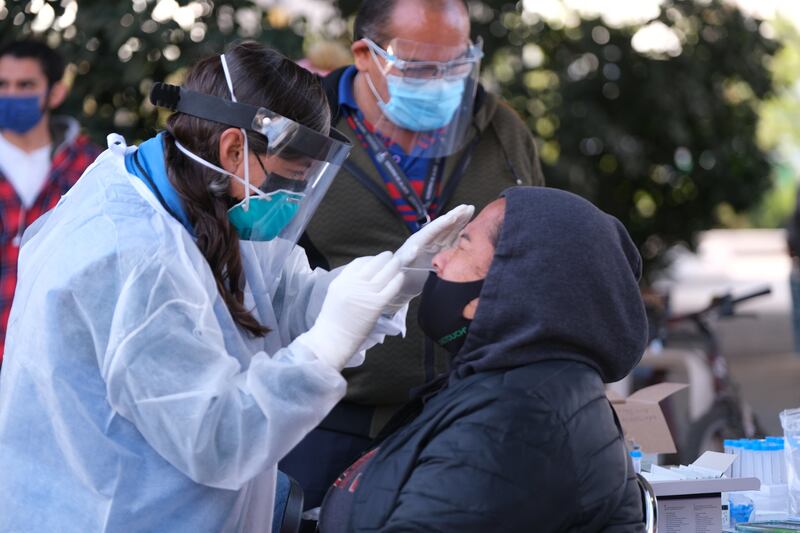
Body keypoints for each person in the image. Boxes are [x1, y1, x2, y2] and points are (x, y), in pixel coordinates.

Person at [0, 41, 474, 532]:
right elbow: (219, 438)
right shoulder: (133, 258)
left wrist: (398, 278)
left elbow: (280, 299)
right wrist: (323, 349)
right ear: (233, 148)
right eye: (290, 180)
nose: (290, 199)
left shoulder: (205, 192)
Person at [282, 0, 546, 507]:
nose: (444, 81)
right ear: (365, 54)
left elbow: (536, 258)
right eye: (422, 67)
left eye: (458, 64)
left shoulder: (501, 131)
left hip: (467, 417)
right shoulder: (303, 131)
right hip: (328, 420)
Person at [317, 187, 648, 532]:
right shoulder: (524, 390)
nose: (437, 261)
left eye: (461, 245)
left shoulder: (517, 422)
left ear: (512, 284)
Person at [0, 39, 100, 363]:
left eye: (25, 85)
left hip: (56, 364)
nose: (11, 94)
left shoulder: (90, 167)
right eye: (2, 84)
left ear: (55, 93)